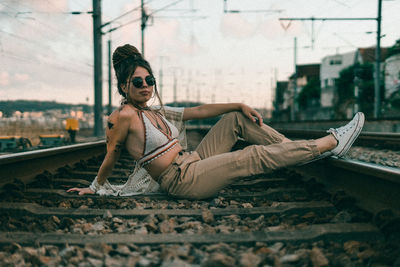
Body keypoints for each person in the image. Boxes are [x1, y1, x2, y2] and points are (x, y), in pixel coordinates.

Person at [67, 44, 365, 200]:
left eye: (149, 80)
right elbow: (111, 155)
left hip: (193, 159)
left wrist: (238, 104)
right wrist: (95, 187)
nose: (146, 85)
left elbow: (198, 111)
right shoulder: (122, 117)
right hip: (182, 180)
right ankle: (332, 142)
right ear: (123, 87)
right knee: (251, 155)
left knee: (236, 119)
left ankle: (294, 153)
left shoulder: (156, 111)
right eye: (137, 82)